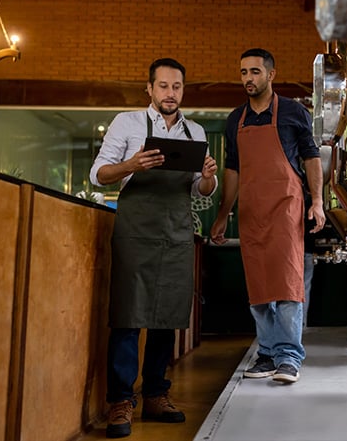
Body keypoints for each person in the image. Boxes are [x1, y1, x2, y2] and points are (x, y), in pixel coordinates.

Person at [90, 57, 218, 439]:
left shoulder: (195, 131)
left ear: (183, 90)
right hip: (135, 233)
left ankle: (156, 395)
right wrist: (133, 164)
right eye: (163, 86)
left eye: (176, 87)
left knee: (168, 317)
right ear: (149, 88)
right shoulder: (126, 123)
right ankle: (120, 401)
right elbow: (99, 175)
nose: (170, 93)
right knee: (129, 316)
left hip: (177, 234)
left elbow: (201, 193)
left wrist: (209, 178)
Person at [211, 48, 325, 384]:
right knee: (258, 286)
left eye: (255, 72)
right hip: (251, 211)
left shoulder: (292, 112)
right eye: (244, 72)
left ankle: (289, 357)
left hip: (287, 209)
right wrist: (222, 215)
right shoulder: (236, 119)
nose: (248, 78)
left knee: (288, 283)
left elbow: (311, 159)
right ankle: (267, 353)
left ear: (271, 75)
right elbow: (232, 169)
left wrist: (316, 201)